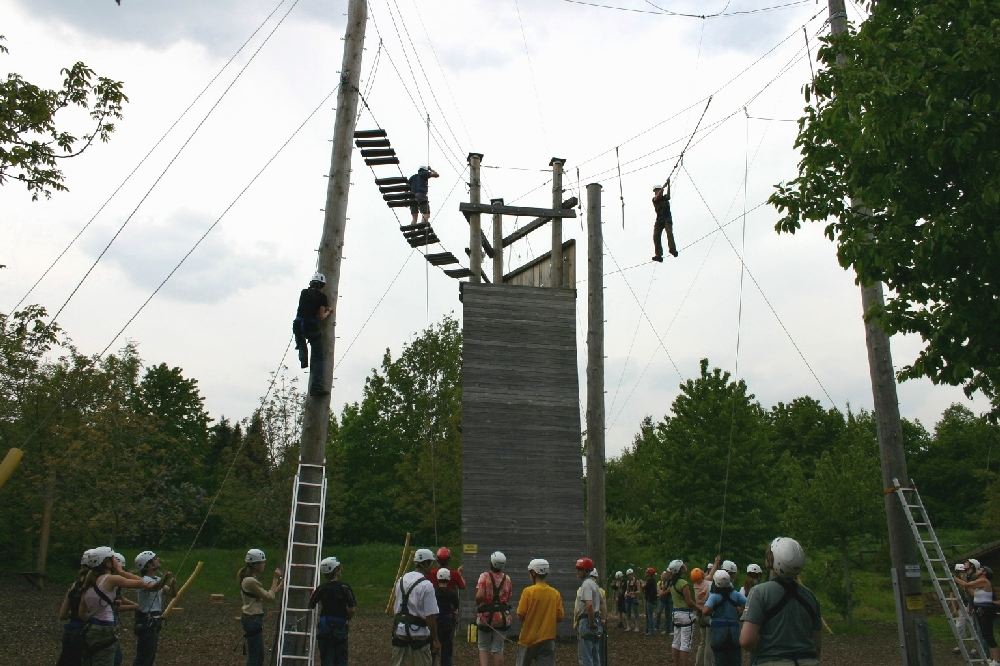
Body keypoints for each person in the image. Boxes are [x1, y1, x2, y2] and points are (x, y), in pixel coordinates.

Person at [740, 537, 821, 666]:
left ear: (771, 561)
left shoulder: (759, 592)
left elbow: (747, 641)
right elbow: (816, 646)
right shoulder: (810, 596)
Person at [78, 546, 159, 666]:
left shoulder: (88, 582)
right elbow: (143, 583)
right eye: (113, 558)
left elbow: (82, 614)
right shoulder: (111, 579)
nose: (116, 560)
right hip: (106, 628)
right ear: (107, 562)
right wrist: (121, 571)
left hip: (90, 628)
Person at [391, 548, 440, 666]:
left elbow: (396, 607)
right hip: (419, 634)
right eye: (431, 563)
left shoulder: (401, 580)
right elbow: (430, 616)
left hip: (400, 631)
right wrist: (435, 639)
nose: (431, 566)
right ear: (426, 563)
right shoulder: (426, 585)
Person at [238, 548, 284, 666]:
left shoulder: (249, 580)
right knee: (255, 658)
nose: (264, 564)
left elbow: (264, 595)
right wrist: (275, 578)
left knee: (258, 656)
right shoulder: (250, 581)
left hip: (252, 620)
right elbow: (269, 597)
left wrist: (278, 586)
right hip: (252, 620)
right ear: (255, 564)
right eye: (262, 562)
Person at [516, 558, 565, 666]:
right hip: (548, 639)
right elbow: (560, 616)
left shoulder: (528, 592)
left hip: (527, 639)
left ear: (533, 573)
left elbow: (520, 614)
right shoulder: (555, 593)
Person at [309, 556, 356, 666]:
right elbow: (352, 609)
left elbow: (311, 604)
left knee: (326, 659)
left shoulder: (321, 588)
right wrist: (347, 618)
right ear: (336, 570)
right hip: (340, 626)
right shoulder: (345, 587)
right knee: (341, 659)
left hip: (325, 627)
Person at [133, 550, 176, 666]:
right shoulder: (143, 581)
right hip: (147, 621)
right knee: (144, 656)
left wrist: (172, 584)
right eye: (155, 558)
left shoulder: (157, 579)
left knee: (150, 655)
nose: (158, 559)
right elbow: (154, 588)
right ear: (149, 565)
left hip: (154, 621)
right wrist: (165, 578)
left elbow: (172, 594)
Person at [292, 272, 332, 397]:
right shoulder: (322, 297)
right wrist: (329, 312)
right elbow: (321, 317)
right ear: (322, 285)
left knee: (301, 343)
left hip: (298, 325)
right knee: (318, 358)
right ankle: (316, 387)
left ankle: (302, 354)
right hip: (311, 327)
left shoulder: (303, 292)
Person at [955, 559, 999, 664]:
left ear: (984, 573)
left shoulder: (983, 581)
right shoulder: (980, 585)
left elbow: (966, 585)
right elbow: (973, 593)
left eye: (981, 569)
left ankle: (997, 660)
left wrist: (955, 579)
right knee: (985, 635)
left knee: (989, 636)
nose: (978, 570)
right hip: (981, 610)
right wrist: (962, 581)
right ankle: (992, 659)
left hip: (986, 610)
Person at [700, 570, 747, 666]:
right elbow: (749, 603)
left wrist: (713, 611)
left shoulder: (714, 597)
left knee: (719, 660)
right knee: (735, 660)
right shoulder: (736, 594)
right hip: (734, 633)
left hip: (718, 633)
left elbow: (705, 611)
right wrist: (741, 610)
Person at [475, 551, 513, 666]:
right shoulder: (507, 579)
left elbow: (480, 596)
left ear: (491, 563)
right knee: (498, 648)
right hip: (502, 617)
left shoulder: (484, 576)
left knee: (483, 647)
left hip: (486, 618)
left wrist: (478, 602)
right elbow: (508, 596)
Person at [57, 550, 93, 666]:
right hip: (84, 633)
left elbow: (62, 614)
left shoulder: (74, 585)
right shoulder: (95, 587)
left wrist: (74, 615)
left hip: (69, 632)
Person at [667, 559, 698, 666]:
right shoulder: (683, 583)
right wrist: (699, 608)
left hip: (675, 614)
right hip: (686, 615)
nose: (685, 566)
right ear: (680, 570)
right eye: (682, 566)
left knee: (676, 642)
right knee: (685, 644)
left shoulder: (672, 583)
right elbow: (689, 602)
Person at [574, 557, 603, 666]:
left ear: (587, 571)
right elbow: (601, 602)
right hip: (596, 618)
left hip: (587, 620)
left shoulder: (586, 584)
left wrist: (591, 624)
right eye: (577, 569)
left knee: (585, 657)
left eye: (580, 569)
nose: (577, 572)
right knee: (595, 655)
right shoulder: (594, 584)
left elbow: (589, 605)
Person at [433, 568, 459, 666]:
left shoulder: (433, 592)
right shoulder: (452, 593)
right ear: (448, 579)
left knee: (432, 649)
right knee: (447, 651)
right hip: (447, 623)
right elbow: (456, 608)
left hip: (435, 622)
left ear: (437, 578)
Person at [651, 179, 678, 262]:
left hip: (667, 218)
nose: (657, 192)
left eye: (657, 190)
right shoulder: (654, 199)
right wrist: (663, 187)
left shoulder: (665, 198)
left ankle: (672, 249)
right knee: (656, 236)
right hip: (659, 220)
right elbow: (657, 196)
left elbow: (669, 196)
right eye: (656, 191)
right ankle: (658, 255)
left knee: (669, 233)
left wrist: (668, 185)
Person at [657, 568, 674, 635]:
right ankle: (667, 629)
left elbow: (669, 589)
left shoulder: (672, 580)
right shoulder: (666, 580)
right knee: (667, 614)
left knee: (671, 615)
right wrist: (663, 582)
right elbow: (664, 588)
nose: (666, 574)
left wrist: (662, 593)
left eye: (667, 572)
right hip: (666, 599)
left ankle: (672, 630)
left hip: (670, 599)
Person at [643, 567, 658, 636]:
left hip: (650, 600)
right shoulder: (651, 580)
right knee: (649, 615)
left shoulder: (650, 581)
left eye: (647, 572)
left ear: (649, 574)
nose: (645, 573)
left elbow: (649, 591)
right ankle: (649, 630)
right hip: (650, 600)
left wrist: (643, 585)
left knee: (650, 615)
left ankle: (651, 631)